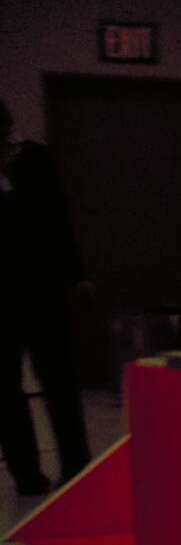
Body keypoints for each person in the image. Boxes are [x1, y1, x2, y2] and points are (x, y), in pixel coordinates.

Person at [0, 99, 93, 494]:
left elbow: (58, 218)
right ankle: (26, 472)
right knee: (4, 385)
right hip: (5, 290)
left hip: (42, 284)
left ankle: (76, 463)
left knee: (58, 376)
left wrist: (77, 273)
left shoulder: (35, 159)